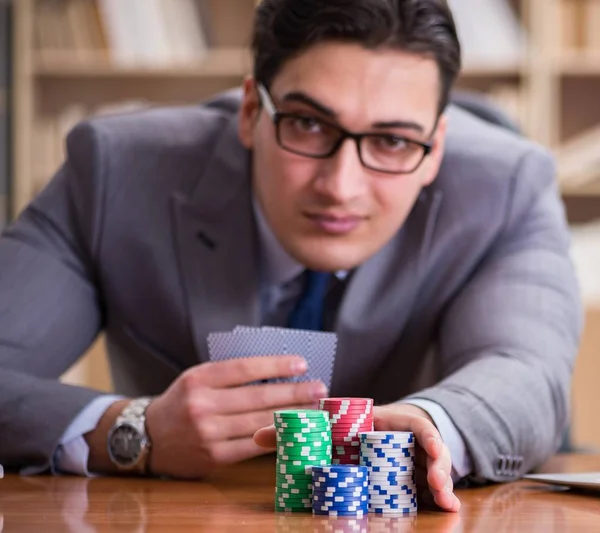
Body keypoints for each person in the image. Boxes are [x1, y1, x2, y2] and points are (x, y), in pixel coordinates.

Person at [0, 0, 581, 514]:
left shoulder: (506, 186)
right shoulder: (115, 172)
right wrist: (130, 430)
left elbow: (525, 372)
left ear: (437, 149)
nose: (341, 186)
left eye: (394, 141)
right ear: (251, 111)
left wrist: (433, 426)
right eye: (307, 124)